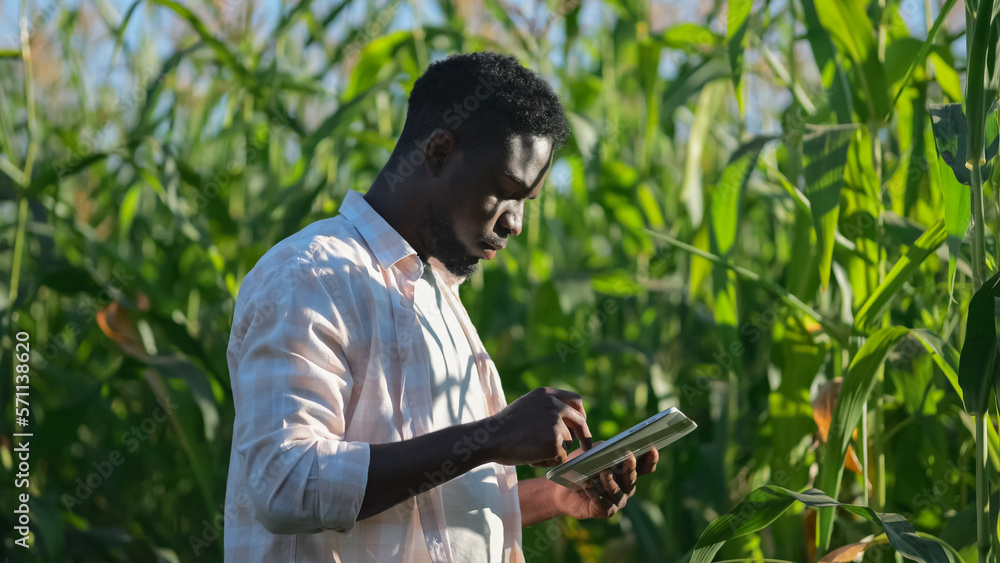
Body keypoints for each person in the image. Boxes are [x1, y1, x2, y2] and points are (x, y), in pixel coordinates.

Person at [223, 51, 658, 563]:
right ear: (438, 152)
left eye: (527, 203)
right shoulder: (311, 275)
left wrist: (555, 495)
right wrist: (492, 436)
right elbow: (286, 484)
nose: (515, 223)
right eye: (505, 193)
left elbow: (426, 505)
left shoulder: (442, 301)